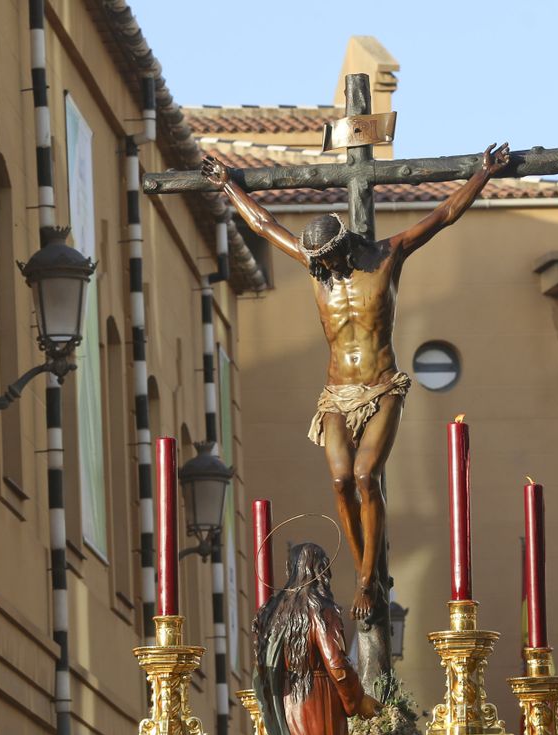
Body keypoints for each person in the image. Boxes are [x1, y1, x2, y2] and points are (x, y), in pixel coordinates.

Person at [203, 143, 513, 622]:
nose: (322, 269)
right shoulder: (316, 268)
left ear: (343, 246)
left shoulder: (386, 257)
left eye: (328, 259)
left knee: (366, 476)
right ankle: (365, 565)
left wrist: (482, 174)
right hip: (336, 394)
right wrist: (227, 185)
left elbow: (443, 215)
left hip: (382, 387)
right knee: (339, 480)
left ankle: (369, 579)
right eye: (317, 262)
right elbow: (264, 224)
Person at [254, 542, 381, 735]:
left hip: (284, 701)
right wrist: (358, 700)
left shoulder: (271, 611)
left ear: (290, 569)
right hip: (317, 699)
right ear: (322, 570)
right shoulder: (319, 607)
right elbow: (336, 664)